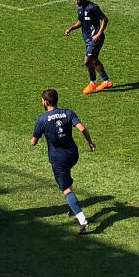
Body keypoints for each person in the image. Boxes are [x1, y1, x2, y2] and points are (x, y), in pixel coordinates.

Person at [31, 88, 96, 235]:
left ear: (46, 102)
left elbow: (34, 142)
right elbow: (82, 128)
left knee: (66, 189)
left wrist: (34, 139)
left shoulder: (42, 119)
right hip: (73, 155)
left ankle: (82, 220)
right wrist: (90, 142)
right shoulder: (68, 113)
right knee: (67, 177)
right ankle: (72, 207)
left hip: (58, 159)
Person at [65, 0, 113, 94]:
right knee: (91, 61)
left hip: (95, 39)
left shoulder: (93, 7)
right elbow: (80, 22)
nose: (76, 2)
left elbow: (105, 19)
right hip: (88, 39)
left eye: (77, 0)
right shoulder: (80, 8)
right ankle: (97, 82)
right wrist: (71, 28)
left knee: (89, 61)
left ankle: (103, 81)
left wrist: (99, 34)